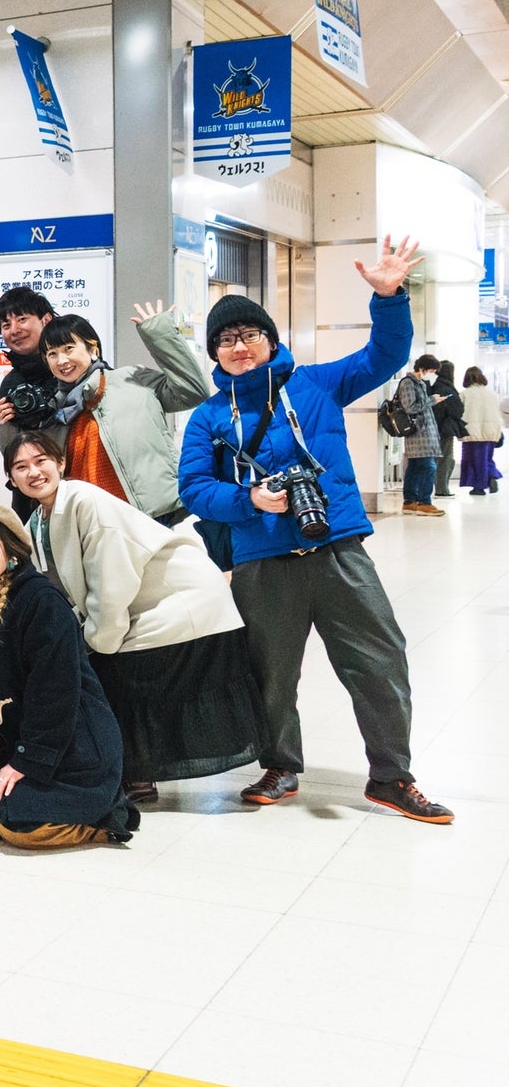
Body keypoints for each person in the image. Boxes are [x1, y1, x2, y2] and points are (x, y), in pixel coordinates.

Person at [178, 238, 453, 822]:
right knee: (271, 674)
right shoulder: (207, 417)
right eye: (226, 340)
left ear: (271, 340)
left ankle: (390, 776)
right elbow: (193, 488)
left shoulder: (315, 385)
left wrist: (389, 297)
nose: (239, 346)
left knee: (380, 662)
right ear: (215, 354)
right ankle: (280, 765)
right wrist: (250, 498)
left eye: (249, 334)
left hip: (336, 548)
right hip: (261, 559)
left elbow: (385, 355)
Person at [7, 432, 263, 803]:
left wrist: (95, 642)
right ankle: (129, 769)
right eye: (21, 467)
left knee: (113, 672)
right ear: (11, 479)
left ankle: (137, 775)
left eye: (41, 460)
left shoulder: (85, 500)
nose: (34, 472)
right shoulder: (37, 522)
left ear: (61, 463)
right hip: (142, 606)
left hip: (180, 600)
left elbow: (112, 579)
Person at [0, 500, 139, 848]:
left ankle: (106, 817)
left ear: (10, 551)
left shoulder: (42, 603)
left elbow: (55, 694)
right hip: (10, 741)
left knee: (21, 829)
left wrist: (28, 760)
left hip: (72, 745)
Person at [0, 304, 209, 522]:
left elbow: (192, 392)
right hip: (91, 523)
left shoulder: (133, 379)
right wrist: (4, 426)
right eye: (52, 354)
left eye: (69, 348)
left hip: (147, 514)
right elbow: (29, 461)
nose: (62, 360)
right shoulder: (53, 411)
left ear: (93, 349)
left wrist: (160, 332)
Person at [0, 285, 58, 515]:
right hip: (28, 497)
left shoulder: (68, 369)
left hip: (77, 482)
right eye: (6, 325)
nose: (14, 330)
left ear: (46, 319)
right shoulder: (11, 384)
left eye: (22, 319)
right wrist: (2, 426)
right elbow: (13, 451)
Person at [396, 354, 444, 517]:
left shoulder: (420, 383)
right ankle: (424, 502)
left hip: (424, 433)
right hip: (418, 434)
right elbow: (410, 407)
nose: (432, 373)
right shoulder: (408, 383)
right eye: (431, 370)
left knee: (415, 467)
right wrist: (432, 400)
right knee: (428, 466)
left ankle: (409, 501)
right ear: (423, 367)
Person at [459, 366, 503, 494]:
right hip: (491, 431)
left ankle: (479, 486)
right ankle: (491, 475)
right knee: (486, 458)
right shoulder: (492, 394)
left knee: (473, 459)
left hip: (471, 431)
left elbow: (459, 412)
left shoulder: (464, 394)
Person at [431, 359, 465, 499]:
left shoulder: (436, 386)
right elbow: (457, 409)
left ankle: (440, 487)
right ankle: (442, 488)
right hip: (445, 429)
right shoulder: (447, 388)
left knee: (440, 458)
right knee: (445, 459)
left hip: (435, 428)